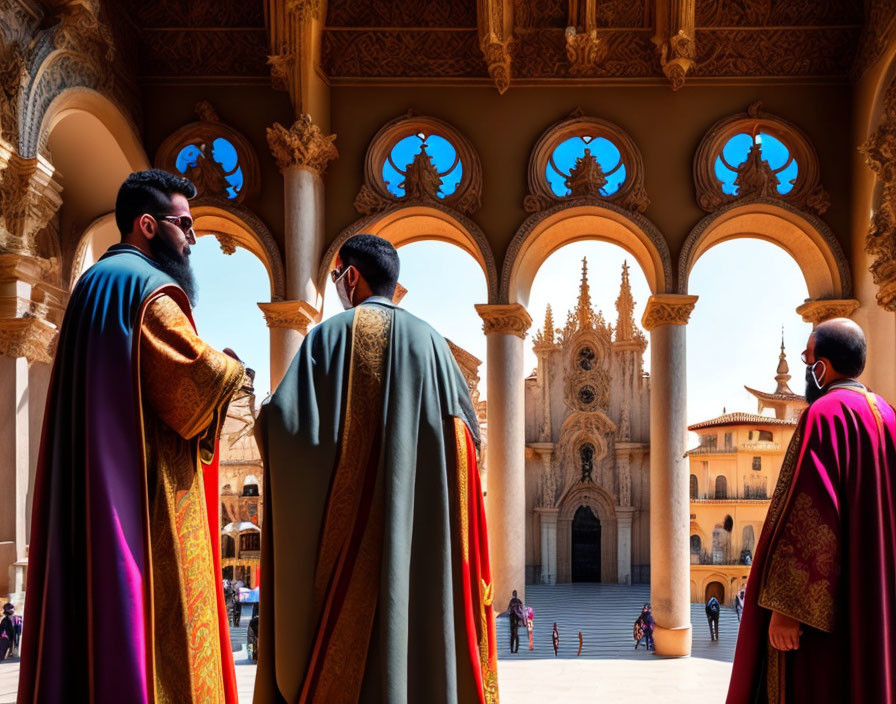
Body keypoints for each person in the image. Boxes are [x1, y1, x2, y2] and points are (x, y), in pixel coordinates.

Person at [18, 170, 245, 704]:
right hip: (141, 508)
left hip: (91, 496)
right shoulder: (149, 290)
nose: (191, 240)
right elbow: (193, 385)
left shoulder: (93, 285)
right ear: (147, 225)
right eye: (184, 225)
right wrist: (233, 368)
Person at [253, 234, 498, 704]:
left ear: (352, 277)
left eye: (337, 277)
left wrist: (263, 415)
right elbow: (469, 446)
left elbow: (289, 431)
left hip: (348, 556)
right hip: (425, 549)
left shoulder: (330, 336)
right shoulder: (436, 347)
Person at [728, 319, 896, 704]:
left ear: (821, 367)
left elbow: (811, 512)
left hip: (824, 616)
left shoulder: (825, 415)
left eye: (808, 358)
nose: (806, 366)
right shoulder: (887, 416)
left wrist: (788, 609)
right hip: (874, 591)